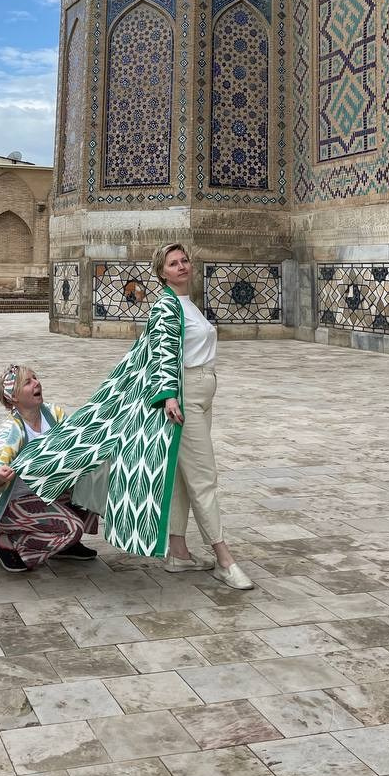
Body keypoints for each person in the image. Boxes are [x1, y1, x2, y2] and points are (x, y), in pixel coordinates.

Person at [152, 241, 252, 589]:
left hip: (201, 393)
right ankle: (224, 559)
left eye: (184, 261)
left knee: (183, 476)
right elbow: (161, 351)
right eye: (173, 263)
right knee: (203, 477)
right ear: (161, 273)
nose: (181, 266)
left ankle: (178, 553)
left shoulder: (185, 304)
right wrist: (168, 397)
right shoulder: (165, 306)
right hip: (183, 397)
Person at [0, 365, 99, 572]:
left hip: (50, 492)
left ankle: (65, 545)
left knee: (92, 492)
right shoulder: (10, 429)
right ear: (14, 397)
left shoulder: (54, 415)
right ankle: (8, 542)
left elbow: (75, 443)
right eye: (28, 382)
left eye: (35, 378)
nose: (36, 383)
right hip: (16, 504)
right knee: (72, 527)